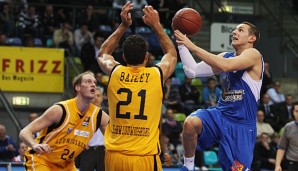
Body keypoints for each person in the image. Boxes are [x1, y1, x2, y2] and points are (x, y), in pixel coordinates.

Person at [97, 2, 177, 170]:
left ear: (124, 57)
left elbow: (103, 53)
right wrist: (156, 25)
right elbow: (171, 54)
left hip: (115, 156)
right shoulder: (156, 74)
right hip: (144, 156)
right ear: (146, 57)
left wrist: (123, 25)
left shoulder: (115, 72)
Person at [174, 21, 262, 170]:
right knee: (190, 123)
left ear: (251, 38)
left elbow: (226, 66)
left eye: (240, 30)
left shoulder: (254, 55)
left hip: (241, 124)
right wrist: (181, 44)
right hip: (220, 115)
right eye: (234, 30)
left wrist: (192, 46)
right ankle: (188, 167)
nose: (234, 32)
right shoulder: (225, 56)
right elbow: (192, 71)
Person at [19, 71, 109, 171]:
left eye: (94, 82)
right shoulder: (60, 110)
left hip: (67, 165)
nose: (93, 84)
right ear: (78, 88)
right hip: (42, 160)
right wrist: (34, 145)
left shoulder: (99, 115)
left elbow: (114, 139)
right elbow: (24, 132)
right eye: (88, 82)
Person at [76, 87, 106, 171]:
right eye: (94, 96)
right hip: (88, 150)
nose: (96, 98)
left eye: (98, 95)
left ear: (102, 98)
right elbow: (75, 130)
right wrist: (81, 142)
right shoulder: (82, 113)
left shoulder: (108, 113)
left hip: (104, 150)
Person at [275, 101, 298, 171]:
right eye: (297, 111)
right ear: (293, 112)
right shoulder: (288, 127)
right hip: (293, 163)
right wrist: (277, 165)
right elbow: (281, 147)